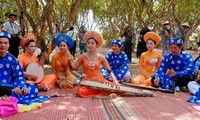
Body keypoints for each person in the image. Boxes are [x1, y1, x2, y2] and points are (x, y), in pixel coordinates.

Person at [0, 32, 49, 105]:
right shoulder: (21, 57)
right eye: (0, 43)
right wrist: (11, 88)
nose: (3, 45)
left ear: (9, 45)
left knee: (33, 88)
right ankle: (8, 95)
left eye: (5, 43)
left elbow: (18, 76)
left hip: (12, 85)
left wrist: (22, 86)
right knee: (11, 92)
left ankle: (8, 96)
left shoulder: (12, 59)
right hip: (3, 87)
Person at [71, 31, 119, 98]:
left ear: (96, 45)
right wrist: (80, 75)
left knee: (116, 88)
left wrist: (115, 80)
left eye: (92, 43)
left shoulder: (101, 57)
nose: (90, 45)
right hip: (87, 81)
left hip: (100, 80)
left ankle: (101, 91)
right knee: (80, 91)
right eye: (88, 43)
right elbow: (73, 70)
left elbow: (109, 70)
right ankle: (101, 93)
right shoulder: (82, 57)